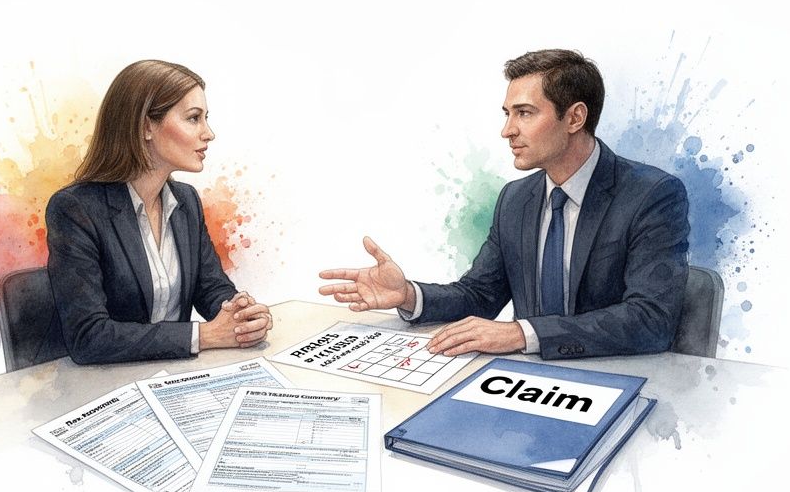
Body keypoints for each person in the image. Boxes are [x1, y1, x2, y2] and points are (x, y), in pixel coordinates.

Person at [319, 49, 689, 360]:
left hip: (618, 379)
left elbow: (650, 320)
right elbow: (480, 295)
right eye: (507, 114)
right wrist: (409, 294)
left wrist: (521, 334)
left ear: (575, 117)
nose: (507, 130)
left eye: (525, 113)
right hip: (526, 384)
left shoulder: (652, 195)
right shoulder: (516, 199)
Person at [46, 60, 272, 365]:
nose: (209, 134)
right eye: (194, 119)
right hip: (107, 387)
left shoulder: (186, 201)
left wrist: (241, 314)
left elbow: (211, 289)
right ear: (145, 127)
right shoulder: (76, 209)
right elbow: (88, 337)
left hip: (172, 375)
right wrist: (203, 336)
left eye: (206, 119)